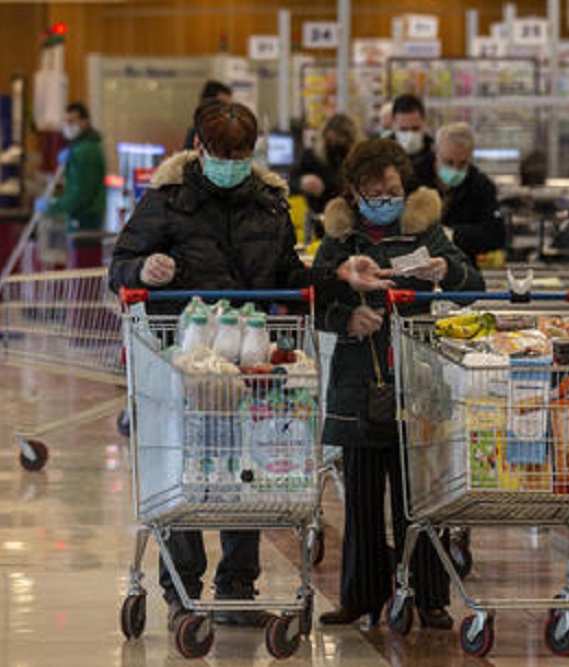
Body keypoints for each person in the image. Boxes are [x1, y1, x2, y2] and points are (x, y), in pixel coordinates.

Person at [110, 100, 391, 632]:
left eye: (240, 155)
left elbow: (289, 276)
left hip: (251, 356)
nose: (231, 164)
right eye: (222, 154)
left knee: (248, 467)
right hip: (185, 360)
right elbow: (118, 267)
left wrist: (338, 275)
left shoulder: (268, 204)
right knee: (186, 469)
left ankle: (238, 584)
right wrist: (144, 268)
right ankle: (182, 589)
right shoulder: (166, 201)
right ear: (199, 148)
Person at [314, 138, 484, 629]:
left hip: (419, 382)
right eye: (374, 192)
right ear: (354, 192)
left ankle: (429, 598)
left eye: (392, 190)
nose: (386, 200)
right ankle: (360, 598)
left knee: (421, 499)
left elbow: (473, 287)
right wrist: (346, 319)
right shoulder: (340, 241)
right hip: (357, 385)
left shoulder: (424, 230)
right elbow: (314, 300)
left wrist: (446, 269)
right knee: (362, 501)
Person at [435, 122, 505, 263]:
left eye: (462, 164)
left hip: (462, 267)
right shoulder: (416, 178)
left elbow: (495, 236)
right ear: (436, 153)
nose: (455, 170)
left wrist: (452, 234)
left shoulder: (481, 186)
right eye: (449, 162)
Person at [40, 102, 106, 232]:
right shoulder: (82, 147)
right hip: (85, 214)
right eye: (65, 121)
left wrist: (53, 206)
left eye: (72, 121)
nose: (67, 126)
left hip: (85, 217)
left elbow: (81, 194)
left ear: (85, 121)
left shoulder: (85, 151)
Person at [289, 113, 362, 214]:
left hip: (351, 214)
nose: (334, 145)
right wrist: (302, 182)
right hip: (319, 212)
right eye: (330, 141)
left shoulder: (359, 159)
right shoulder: (312, 156)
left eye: (339, 141)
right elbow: (291, 180)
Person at [391, 94, 437, 190]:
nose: (410, 135)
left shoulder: (436, 153)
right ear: (393, 125)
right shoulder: (381, 155)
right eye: (403, 129)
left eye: (415, 129)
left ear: (424, 123)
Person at [184, 80, 232, 150]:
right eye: (223, 105)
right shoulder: (196, 132)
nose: (228, 111)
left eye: (229, 106)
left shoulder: (231, 131)